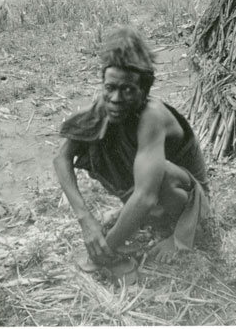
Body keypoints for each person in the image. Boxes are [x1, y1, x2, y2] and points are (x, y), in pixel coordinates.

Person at [54, 25, 209, 267]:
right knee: (100, 136)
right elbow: (62, 159)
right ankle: (149, 221)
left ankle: (180, 233)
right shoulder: (103, 108)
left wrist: (103, 250)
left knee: (163, 173)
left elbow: (146, 196)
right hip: (154, 197)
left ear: (144, 91)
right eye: (110, 88)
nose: (115, 99)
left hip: (190, 204)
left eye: (127, 90)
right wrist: (86, 220)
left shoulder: (152, 116)